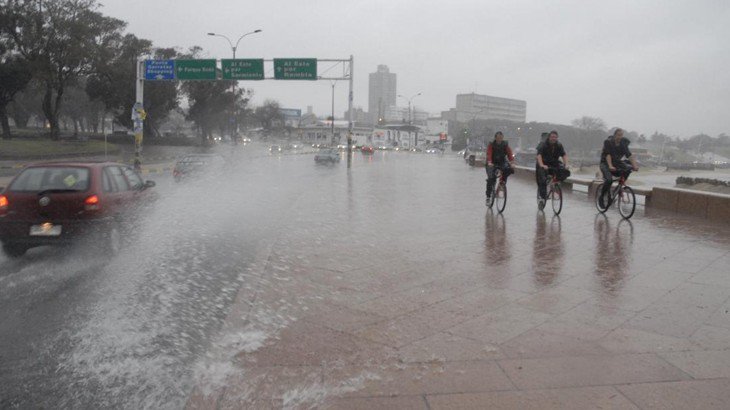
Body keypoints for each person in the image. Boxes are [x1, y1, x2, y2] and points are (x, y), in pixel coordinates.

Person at [598, 128, 639, 207]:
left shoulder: (623, 143)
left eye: (621, 135)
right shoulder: (608, 142)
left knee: (628, 170)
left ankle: (618, 188)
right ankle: (601, 197)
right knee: (609, 180)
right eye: (618, 135)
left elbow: (629, 155)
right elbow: (608, 155)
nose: (620, 137)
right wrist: (610, 166)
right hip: (605, 164)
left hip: (616, 163)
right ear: (614, 135)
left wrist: (635, 166)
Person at [536, 130, 570, 207]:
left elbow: (564, 155)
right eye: (552, 137)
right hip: (543, 163)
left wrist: (566, 164)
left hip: (554, 163)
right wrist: (542, 165)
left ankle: (555, 185)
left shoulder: (559, 145)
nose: (553, 138)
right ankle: (542, 198)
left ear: (557, 138)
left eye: (555, 137)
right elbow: (539, 155)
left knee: (564, 171)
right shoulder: (543, 144)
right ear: (549, 137)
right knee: (542, 180)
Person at [485, 131, 515, 203]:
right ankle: (488, 197)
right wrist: (489, 162)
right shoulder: (491, 145)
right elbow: (489, 153)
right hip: (492, 163)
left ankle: (502, 183)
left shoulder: (505, 145)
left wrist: (512, 163)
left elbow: (510, 154)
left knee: (509, 169)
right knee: (491, 179)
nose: (499, 139)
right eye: (498, 138)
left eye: (501, 138)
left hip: (502, 162)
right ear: (495, 138)